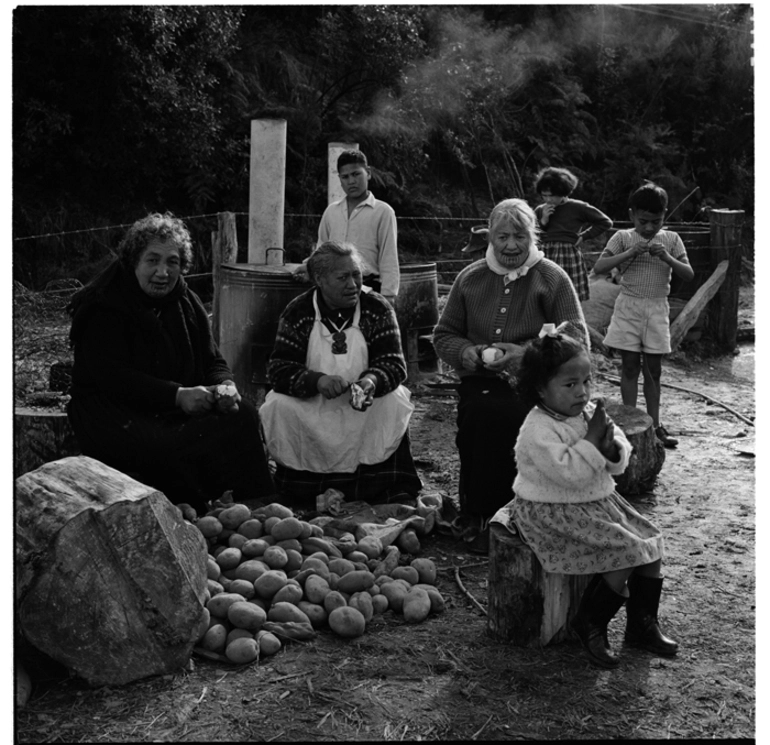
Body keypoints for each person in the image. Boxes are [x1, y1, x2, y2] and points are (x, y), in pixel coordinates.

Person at [491, 324, 678, 668]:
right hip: (552, 509)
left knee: (652, 544)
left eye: (586, 381)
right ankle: (590, 623)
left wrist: (611, 447)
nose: (582, 392)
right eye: (570, 384)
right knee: (624, 552)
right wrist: (592, 444)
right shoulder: (538, 429)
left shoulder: (587, 412)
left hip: (596, 502)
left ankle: (642, 624)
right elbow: (569, 475)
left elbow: (620, 455)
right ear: (540, 390)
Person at [67, 212, 277, 515]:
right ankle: (180, 513)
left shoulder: (184, 301)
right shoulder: (105, 305)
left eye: (172, 262)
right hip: (113, 408)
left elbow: (212, 359)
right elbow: (113, 378)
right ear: (134, 261)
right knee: (162, 447)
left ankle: (255, 510)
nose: (162, 272)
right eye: (152, 261)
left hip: (172, 403)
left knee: (242, 416)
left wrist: (224, 385)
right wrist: (177, 396)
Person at [432, 197, 588, 553]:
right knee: (480, 416)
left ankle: (525, 515)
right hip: (482, 380)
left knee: (520, 420)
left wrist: (526, 355)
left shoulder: (550, 277)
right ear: (490, 237)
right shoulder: (470, 279)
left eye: (519, 236)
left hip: (538, 382)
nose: (511, 245)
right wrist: (466, 353)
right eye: (502, 237)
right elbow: (444, 335)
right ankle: (481, 515)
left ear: (532, 235)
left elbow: (576, 335)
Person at [261, 240, 421, 505]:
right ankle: (301, 489)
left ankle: (382, 486)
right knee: (277, 405)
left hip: (363, 404)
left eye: (356, 275)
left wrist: (371, 381)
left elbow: (394, 363)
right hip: (313, 404)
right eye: (343, 277)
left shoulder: (377, 308)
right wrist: (317, 381)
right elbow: (279, 370)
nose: (353, 284)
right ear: (320, 280)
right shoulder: (298, 312)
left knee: (395, 400)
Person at [592, 182, 694, 448]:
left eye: (656, 221)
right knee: (629, 366)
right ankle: (628, 424)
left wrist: (668, 259)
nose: (649, 228)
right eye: (643, 221)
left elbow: (688, 273)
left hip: (657, 307)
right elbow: (599, 267)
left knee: (654, 370)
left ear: (665, 215)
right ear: (631, 215)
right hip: (628, 306)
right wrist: (629, 253)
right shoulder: (623, 237)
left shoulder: (671, 239)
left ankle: (655, 425)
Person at [293, 150, 400, 304]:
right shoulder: (332, 212)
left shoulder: (383, 212)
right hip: (332, 290)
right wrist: (309, 268)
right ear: (340, 179)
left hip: (367, 288)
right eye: (345, 177)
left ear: (368, 173)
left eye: (356, 174)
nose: (351, 181)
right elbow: (322, 250)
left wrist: (388, 296)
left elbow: (388, 257)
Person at [534, 166, 613, 302]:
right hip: (545, 253)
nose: (548, 200)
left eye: (552, 195)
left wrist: (584, 236)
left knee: (569, 295)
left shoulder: (578, 207)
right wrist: (544, 220)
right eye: (544, 195)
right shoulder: (541, 210)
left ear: (563, 192)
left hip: (567, 254)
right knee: (545, 293)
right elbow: (534, 234)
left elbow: (605, 222)